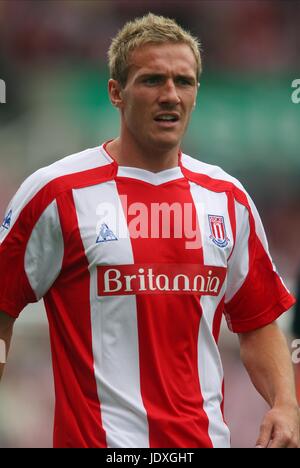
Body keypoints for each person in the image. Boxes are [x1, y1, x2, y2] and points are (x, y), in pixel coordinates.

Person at [0, 13, 299, 449]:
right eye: (152, 80)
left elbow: (258, 323)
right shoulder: (56, 193)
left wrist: (285, 404)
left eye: (185, 81)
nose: (171, 96)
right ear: (116, 92)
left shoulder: (227, 199)